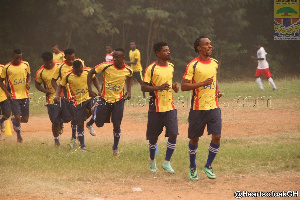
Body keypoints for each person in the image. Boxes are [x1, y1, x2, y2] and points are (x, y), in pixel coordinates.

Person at [181, 36, 222, 180]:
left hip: (213, 106)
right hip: (198, 108)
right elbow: (184, 86)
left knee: (216, 137)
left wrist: (217, 89)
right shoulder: (193, 65)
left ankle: (208, 165)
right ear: (199, 48)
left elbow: (214, 78)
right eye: (206, 44)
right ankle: (192, 167)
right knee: (194, 139)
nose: (210, 46)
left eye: (210, 44)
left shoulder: (215, 63)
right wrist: (202, 84)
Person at [141, 41, 179, 173]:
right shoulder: (151, 68)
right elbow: (143, 87)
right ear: (158, 53)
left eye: (169, 50)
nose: (168, 52)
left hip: (170, 106)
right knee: (153, 138)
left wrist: (174, 88)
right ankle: (152, 162)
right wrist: (159, 87)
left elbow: (169, 85)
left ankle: (167, 163)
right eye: (165, 50)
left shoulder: (171, 67)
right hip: (155, 107)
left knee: (173, 134)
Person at [87, 48, 132, 157]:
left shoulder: (129, 70)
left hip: (119, 101)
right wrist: (89, 89)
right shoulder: (106, 66)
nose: (115, 59)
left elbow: (129, 77)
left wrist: (129, 90)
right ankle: (94, 112)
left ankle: (115, 147)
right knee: (99, 124)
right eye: (114, 57)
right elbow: (91, 72)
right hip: (105, 99)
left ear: (123, 58)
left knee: (116, 124)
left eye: (118, 57)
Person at [51, 48, 99, 148]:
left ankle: (88, 125)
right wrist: (59, 94)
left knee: (92, 108)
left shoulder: (81, 63)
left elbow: (90, 75)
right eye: (69, 59)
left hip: (85, 95)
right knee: (74, 120)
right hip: (70, 98)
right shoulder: (61, 68)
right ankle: (74, 139)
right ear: (65, 58)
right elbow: (55, 82)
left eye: (73, 58)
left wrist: (95, 90)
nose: (71, 61)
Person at [35, 51, 72, 146]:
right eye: (47, 63)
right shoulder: (40, 72)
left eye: (51, 62)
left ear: (53, 59)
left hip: (64, 97)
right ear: (43, 62)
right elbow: (37, 85)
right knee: (55, 121)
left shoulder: (60, 66)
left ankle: (61, 123)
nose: (49, 64)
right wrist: (45, 91)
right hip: (51, 99)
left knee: (68, 118)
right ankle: (56, 141)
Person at [0, 49, 31, 143]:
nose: (18, 59)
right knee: (17, 116)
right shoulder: (7, 67)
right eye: (17, 58)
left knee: (25, 119)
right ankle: (19, 136)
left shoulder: (26, 64)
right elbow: (1, 81)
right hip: (13, 96)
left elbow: (29, 76)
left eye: (20, 57)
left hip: (25, 95)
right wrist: (7, 93)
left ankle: (13, 121)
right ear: (12, 57)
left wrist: (28, 83)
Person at [0, 64, 11, 139]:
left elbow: (7, 79)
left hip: (3, 95)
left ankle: (1, 121)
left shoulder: (3, 67)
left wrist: (7, 90)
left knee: (7, 113)